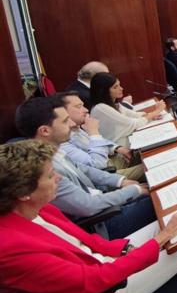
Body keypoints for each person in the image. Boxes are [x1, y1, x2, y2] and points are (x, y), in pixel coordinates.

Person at [0, 140, 177, 293]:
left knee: (174, 227)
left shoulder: (40, 209)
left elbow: (88, 241)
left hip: (103, 260)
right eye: (51, 175)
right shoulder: (10, 248)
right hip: (104, 290)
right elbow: (91, 282)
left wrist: (126, 249)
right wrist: (160, 240)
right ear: (24, 193)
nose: (58, 177)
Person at [14, 97, 155, 240]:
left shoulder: (52, 151)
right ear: (44, 130)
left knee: (156, 190)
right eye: (64, 121)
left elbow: (84, 169)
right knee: (160, 200)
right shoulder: (46, 170)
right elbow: (89, 206)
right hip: (102, 224)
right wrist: (134, 190)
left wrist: (121, 181)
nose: (71, 124)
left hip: (104, 203)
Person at [55, 92, 144, 181]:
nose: (86, 110)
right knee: (149, 167)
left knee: (144, 150)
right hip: (106, 175)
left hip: (112, 160)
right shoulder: (62, 142)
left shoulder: (77, 127)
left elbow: (100, 143)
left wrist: (117, 148)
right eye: (78, 107)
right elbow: (98, 166)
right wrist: (94, 132)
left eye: (83, 105)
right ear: (62, 112)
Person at [90, 73, 166, 148]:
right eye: (115, 87)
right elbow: (133, 124)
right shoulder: (101, 108)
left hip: (130, 141)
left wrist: (151, 115)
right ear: (104, 91)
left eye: (119, 85)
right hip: (120, 151)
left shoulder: (113, 103)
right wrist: (156, 112)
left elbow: (134, 115)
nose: (121, 88)